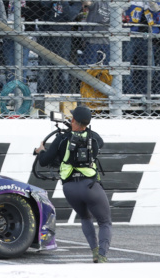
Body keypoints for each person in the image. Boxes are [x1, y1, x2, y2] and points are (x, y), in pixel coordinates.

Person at [36, 105, 112, 263]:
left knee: (85, 217)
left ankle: (94, 251)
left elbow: (44, 161)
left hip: (70, 188)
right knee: (105, 222)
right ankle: (102, 256)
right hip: (90, 186)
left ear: (73, 120)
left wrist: (41, 151)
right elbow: (100, 142)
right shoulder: (93, 137)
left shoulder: (62, 138)